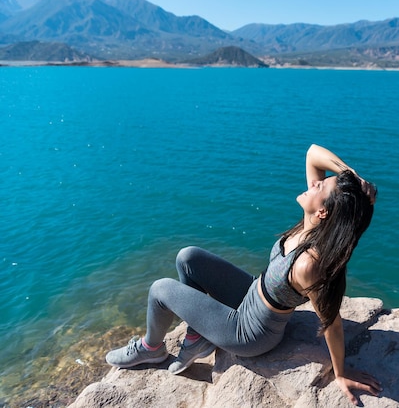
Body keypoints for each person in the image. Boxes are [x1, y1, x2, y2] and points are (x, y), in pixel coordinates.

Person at [106, 144, 381, 405]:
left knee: (160, 289)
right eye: (322, 180)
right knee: (188, 257)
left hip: (250, 334)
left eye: (321, 185)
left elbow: (331, 323)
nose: (315, 183)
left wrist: (340, 371)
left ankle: (152, 348)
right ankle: (195, 338)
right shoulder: (312, 222)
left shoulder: (309, 264)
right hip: (251, 293)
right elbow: (312, 153)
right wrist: (353, 176)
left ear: (323, 211)